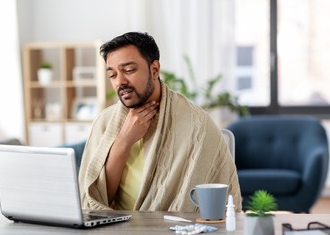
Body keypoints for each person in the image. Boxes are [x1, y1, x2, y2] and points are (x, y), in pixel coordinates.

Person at [79, 31, 242, 212]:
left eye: (129, 70)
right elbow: (95, 203)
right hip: (117, 232)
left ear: (154, 69)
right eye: (113, 75)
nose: (120, 82)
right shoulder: (104, 122)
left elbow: (221, 209)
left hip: (177, 234)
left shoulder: (198, 125)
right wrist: (123, 141)